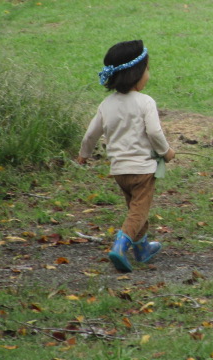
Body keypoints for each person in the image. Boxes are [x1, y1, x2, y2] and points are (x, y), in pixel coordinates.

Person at [78, 40, 175, 272]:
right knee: (139, 211)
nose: (148, 75)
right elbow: (153, 132)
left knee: (135, 208)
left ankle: (142, 249)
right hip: (142, 170)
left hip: (120, 170)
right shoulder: (145, 102)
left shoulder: (107, 104)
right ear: (136, 74)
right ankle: (120, 246)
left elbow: (91, 134)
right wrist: (166, 151)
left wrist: (84, 154)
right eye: (147, 70)